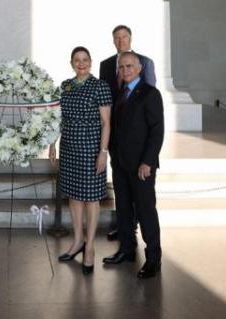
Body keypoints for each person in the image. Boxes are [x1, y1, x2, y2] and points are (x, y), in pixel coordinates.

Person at [49, 46, 112, 275]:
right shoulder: (65, 86)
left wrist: (103, 152)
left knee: (91, 198)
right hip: (69, 148)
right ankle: (77, 241)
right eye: (77, 60)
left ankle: (91, 247)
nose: (81, 63)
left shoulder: (100, 86)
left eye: (85, 59)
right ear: (71, 62)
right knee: (74, 197)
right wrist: (52, 144)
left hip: (90, 148)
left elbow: (106, 123)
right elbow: (58, 118)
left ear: (91, 62)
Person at [103, 51, 164, 279]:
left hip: (142, 167)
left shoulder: (150, 94)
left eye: (129, 66)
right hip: (120, 163)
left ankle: (153, 259)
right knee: (125, 210)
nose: (125, 70)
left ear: (139, 69)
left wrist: (148, 161)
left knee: (146, 211)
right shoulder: (119, 94)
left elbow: (157, 131)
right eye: (122, 67)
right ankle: (127, 250)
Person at [98, 24, 156, 241]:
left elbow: (149, 98)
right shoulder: (105, 65)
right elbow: (103, 97)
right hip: (114, 134)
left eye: (124, 37)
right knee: (121, 185)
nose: (121, 40)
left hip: (137, 139)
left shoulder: (145, 63)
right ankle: (125, 228)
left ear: (130, 39)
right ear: (113, 41)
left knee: (137, 189)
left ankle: (133, 226)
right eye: (117, 37)